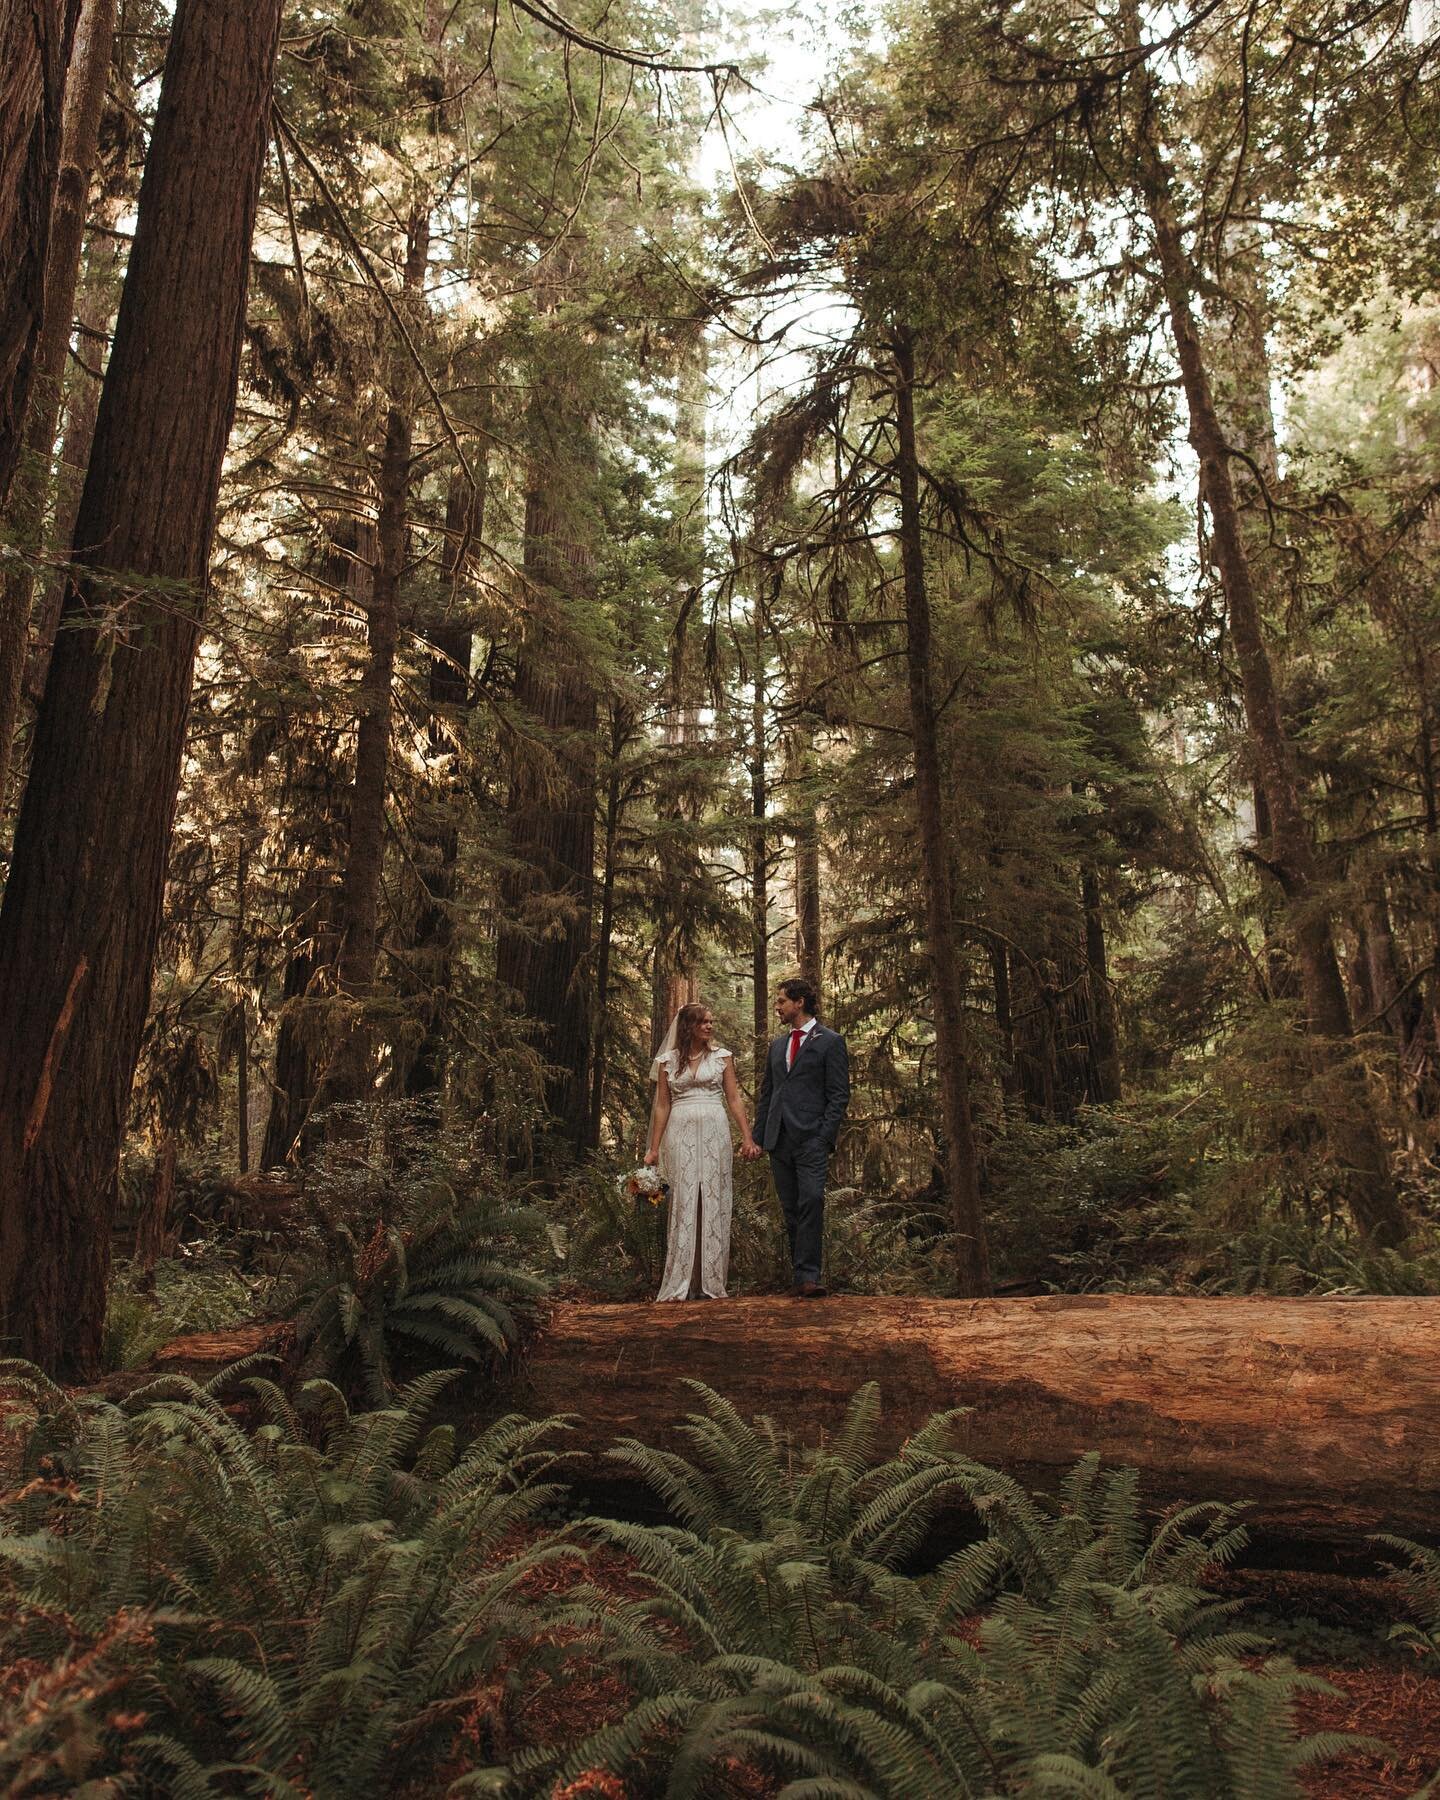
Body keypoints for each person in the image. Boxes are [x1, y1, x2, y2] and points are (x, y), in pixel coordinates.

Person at [645, 1001, 761, 1301]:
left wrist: (747, 1137)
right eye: (703, 1022)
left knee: (712, 1197)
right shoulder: (667, 1061)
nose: (710, 1026)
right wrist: (653, 1149)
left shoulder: (722, 1057)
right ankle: (680, 1281)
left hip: (714, 1130)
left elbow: (734, 1098)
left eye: (711, 1021)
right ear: (688, 1027)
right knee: (683, 1200)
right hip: (679, 1132)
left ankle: (709, 1281)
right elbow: (662, 1104)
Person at [753, 978, 850, 1297]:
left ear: (799, 1003)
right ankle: (800, 1277)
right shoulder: (778, 1046)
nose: (777, 1007)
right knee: (791, 1207)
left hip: (811, 1139)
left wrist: (824, 1136)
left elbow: (838, 1094)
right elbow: (768, 1093)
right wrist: (758, 1136)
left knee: (812, 1199)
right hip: (778, 1138)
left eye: (782, 1001)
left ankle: (810, 1275)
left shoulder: (830, 1041)